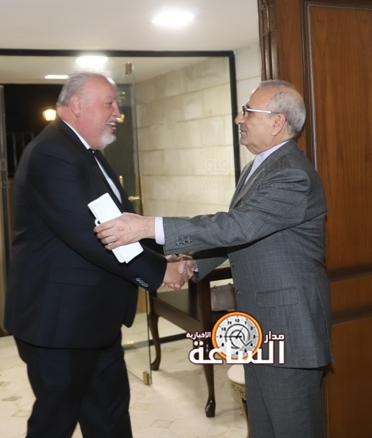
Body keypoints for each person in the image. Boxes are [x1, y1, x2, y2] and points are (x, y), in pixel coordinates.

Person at [95, 79, 332, 438]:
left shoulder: (292, 175)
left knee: (292, 428)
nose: (239, 118)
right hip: (260, 326)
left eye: (247, 111)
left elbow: (237, 226)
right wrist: (189, 265)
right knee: (263, 428)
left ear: (277, 122)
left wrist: (147, 226)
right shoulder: (259, 167)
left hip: (289, 332)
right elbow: (241, 236)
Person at [4, 72, 188, 438]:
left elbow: (119, 223)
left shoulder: (85, 153)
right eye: (109, 103)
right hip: (59, 326)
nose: (117, 112)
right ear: (76, 105)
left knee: (109, 419)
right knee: (54, 425)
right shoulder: (51, 153)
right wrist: (159, 272)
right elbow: (90, 233)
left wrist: (162, 254)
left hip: (93, 320)